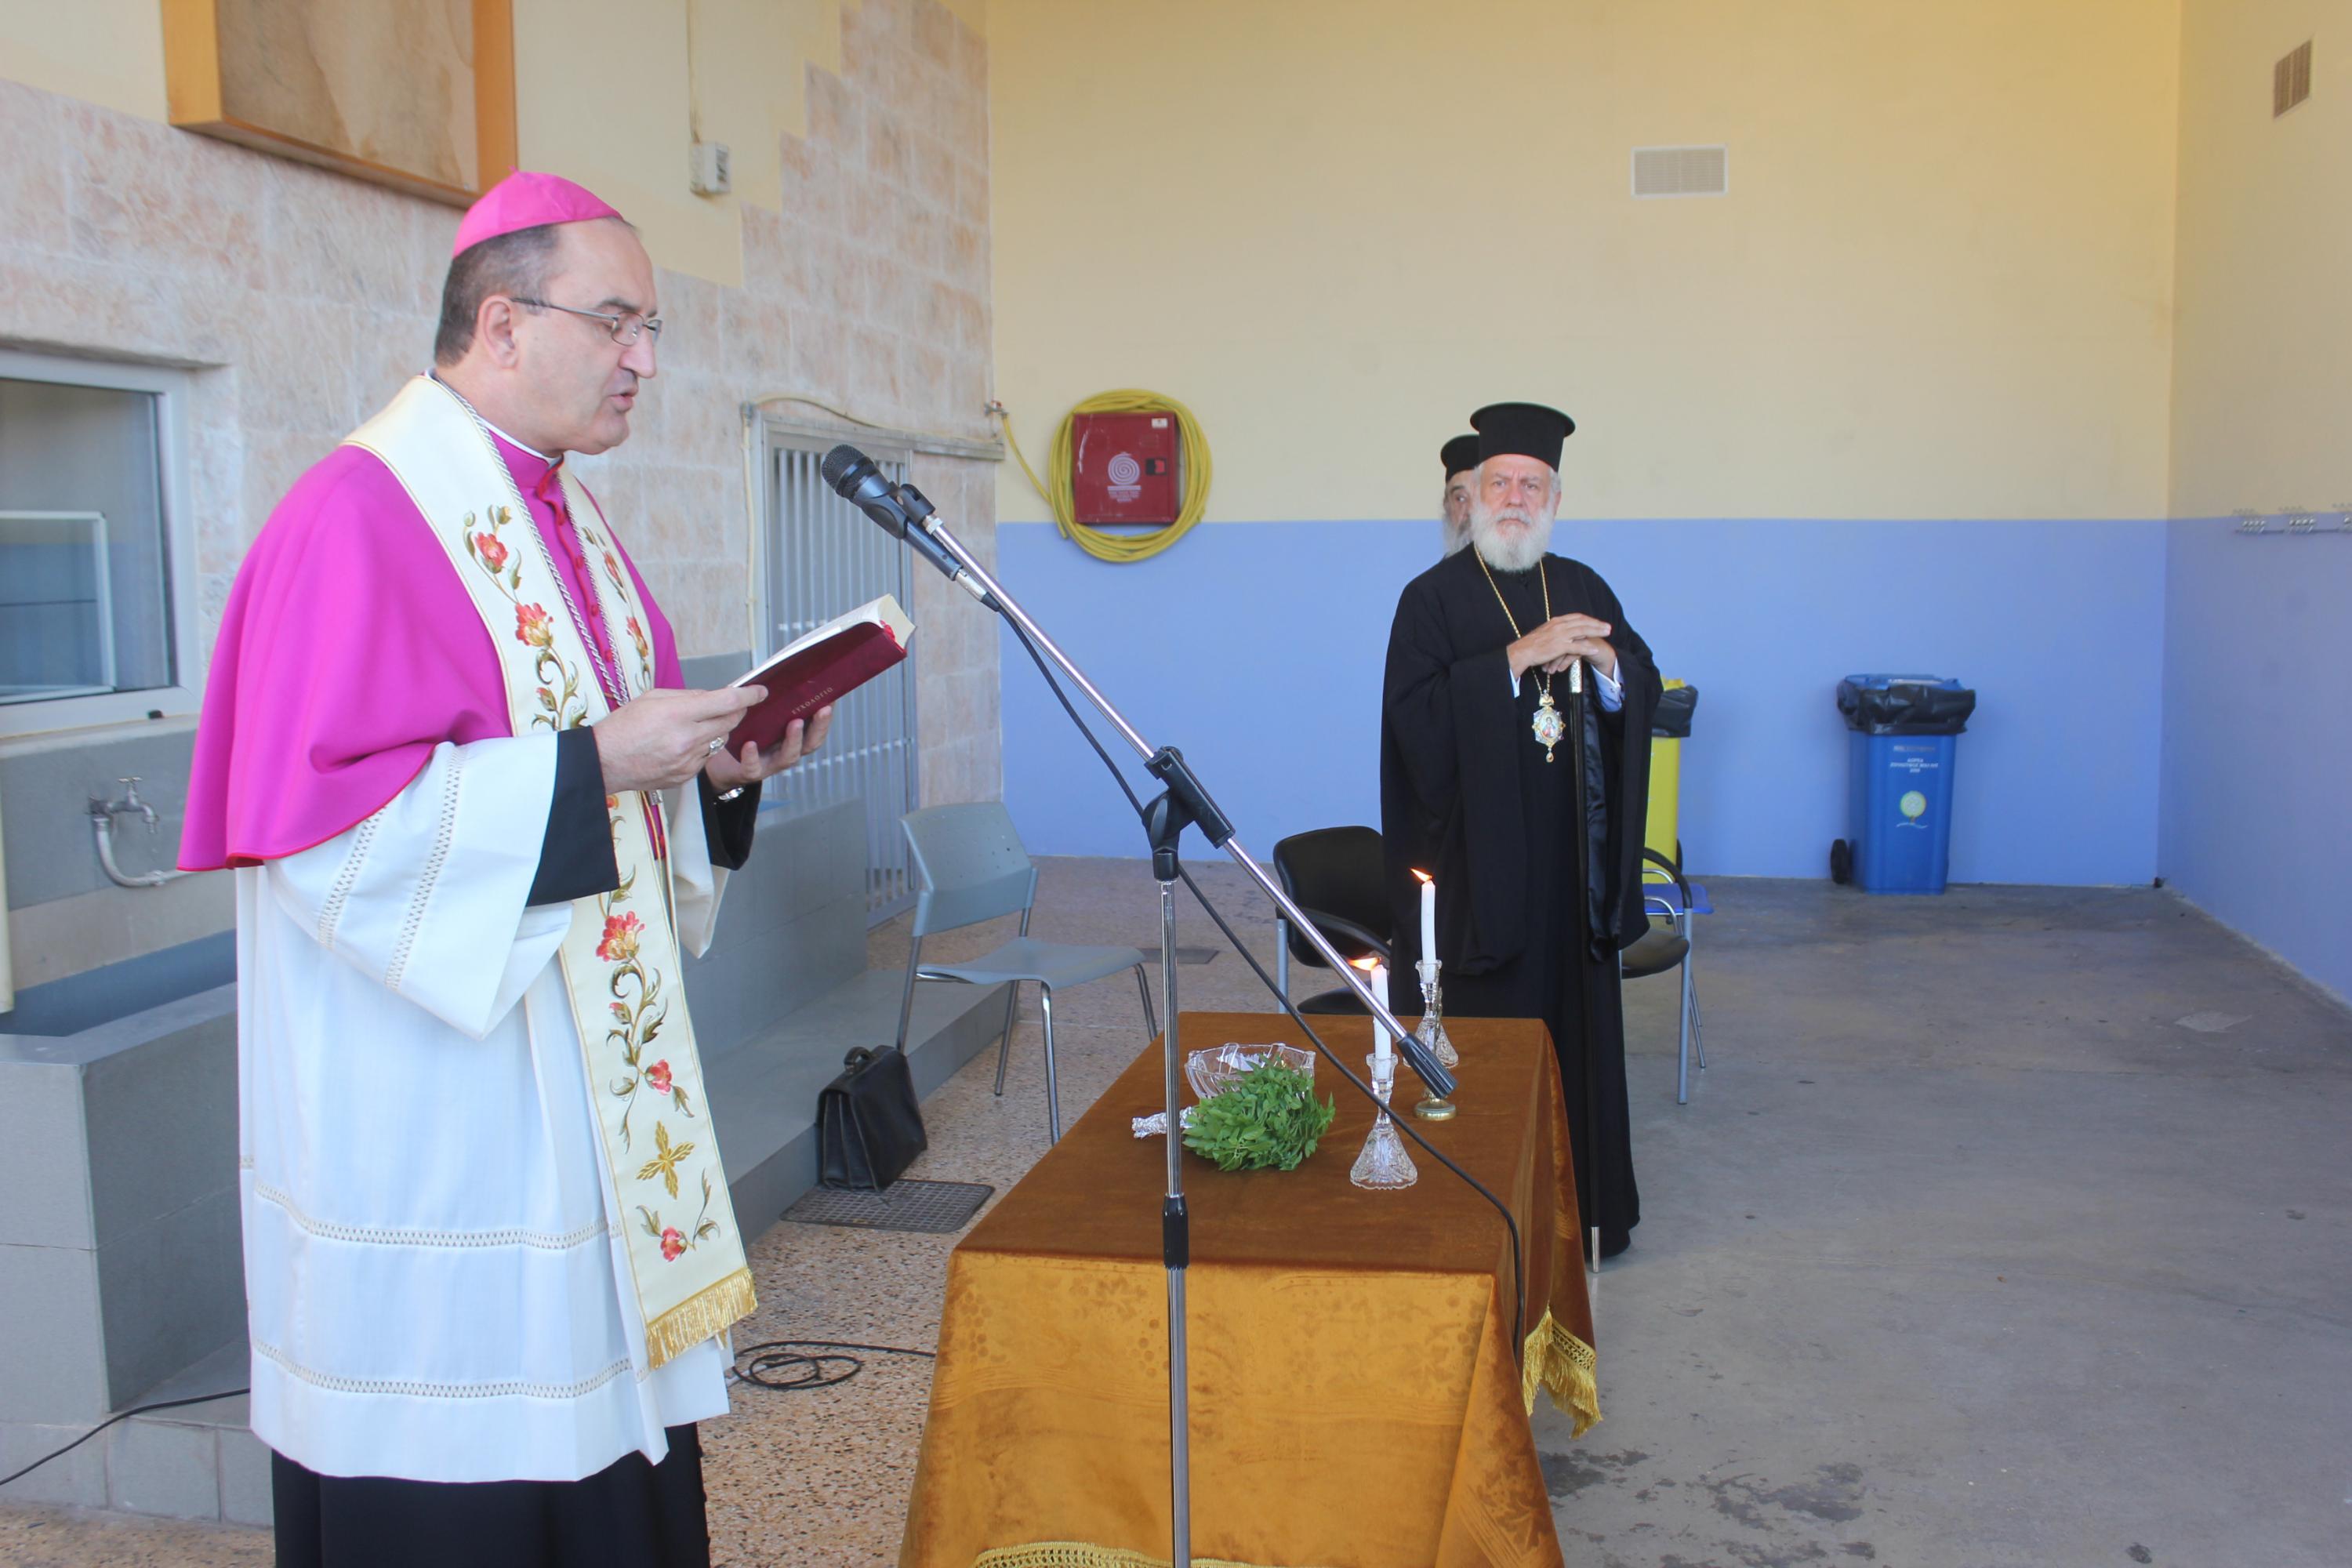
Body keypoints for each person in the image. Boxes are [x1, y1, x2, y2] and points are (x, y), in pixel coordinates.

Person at [180, 171, 832, 1567]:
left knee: (599, 1433)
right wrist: (594, 766)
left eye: (650, 328)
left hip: (579, 1105)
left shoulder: (566, 521)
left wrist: (717, 777)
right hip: (443, 1114)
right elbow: (329, 842)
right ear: (502, 323)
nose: (643, 360)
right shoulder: (357, 514)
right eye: (617, 322)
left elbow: (614, 763)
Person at [1378, 401, 1660, 1258]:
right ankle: (1485, 1217)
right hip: (1479, 876)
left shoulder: (1585, 587)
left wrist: (1608, 665)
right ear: (1472, 496)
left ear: (1556, 499)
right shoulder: (1430, 600)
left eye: (1532, 485)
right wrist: (1515, 658)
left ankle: (1586, 1216)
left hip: (1572, 871)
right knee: (1491, 1046)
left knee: (1576, 1044)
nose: (1514, 498)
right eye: (1499, 482)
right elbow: (1412, 723)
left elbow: (1641, 681)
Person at [1439, 431, 1480, 556]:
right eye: (1461, 498)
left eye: (1481, 498)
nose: (1470, 511)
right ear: (1447, 505)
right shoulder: (1440, 570)